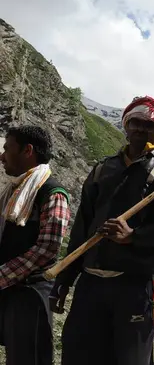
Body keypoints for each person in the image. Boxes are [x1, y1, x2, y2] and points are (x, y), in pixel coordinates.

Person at [50, 96, 154, 365]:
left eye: (149, 125)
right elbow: (83, 226)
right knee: (79, 354)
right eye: (136, 122)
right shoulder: (102, 169)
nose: (141, 129)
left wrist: (134, 236)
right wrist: (65, 278)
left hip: (135, 283)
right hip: (90, 282)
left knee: (130, 358)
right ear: (126, 126)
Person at [0, 126, 70, 365]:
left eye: (7, 149)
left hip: (30, 295)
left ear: (27, 150)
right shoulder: (15, 190)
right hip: (9, 290)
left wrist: (2, 275)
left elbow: (47, 248)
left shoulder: (52, 193)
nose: (2, 156)